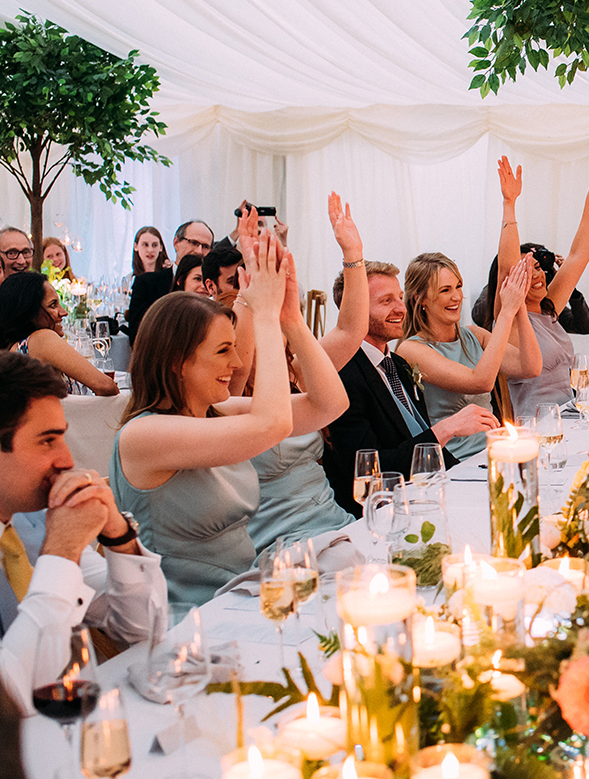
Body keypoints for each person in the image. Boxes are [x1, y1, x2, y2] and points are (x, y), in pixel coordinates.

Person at [112, 236, 347, 614]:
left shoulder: (216, 414)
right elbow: (272, 425)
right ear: (177, 360)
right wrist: (265, 317)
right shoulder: (144, 435)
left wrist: (291, 321)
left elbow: (330, 405)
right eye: (224, 350)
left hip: (248, 594)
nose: (238, 362)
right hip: (194, 620)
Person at [0, 352, 166, 711]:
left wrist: (118, 534)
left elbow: (142, 625)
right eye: (47, 441)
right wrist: (60, 553)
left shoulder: (33, 520)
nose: (68, 461)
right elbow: (13, 697)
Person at [323, 260, 499, 515]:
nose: (400, 308)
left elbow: (416, 434)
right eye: (386, 301)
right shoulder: (343, 374)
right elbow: (368, 470)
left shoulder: (396, 363)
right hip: (387, 508)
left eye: (400, 298)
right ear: (352, 310)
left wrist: (474, 479)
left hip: (429, 489)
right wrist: (446, 429)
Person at [246, 194, 370, 554]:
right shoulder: (230, 395)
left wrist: (353, 254)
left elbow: (350, 331)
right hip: (284, 546)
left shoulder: (295, 373)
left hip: (338, 526)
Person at [396, 253, 539, 458]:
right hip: (456, 460)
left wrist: (520, 306)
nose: (456, 297)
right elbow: (481, 382)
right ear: (420, 298)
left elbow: (530, 367)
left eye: (458, 286)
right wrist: (506, 311)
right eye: (445, 290)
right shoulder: (411, 349)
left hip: (492, 451)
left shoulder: (474, 334)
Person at [500, 152, 589, 420]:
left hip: (571, 414)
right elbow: (506, 265)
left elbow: (578, 256)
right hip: (538, 426)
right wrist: (509, 204)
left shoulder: (549, 309)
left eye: (539, 267)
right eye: (527, 270)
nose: (537, 275)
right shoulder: (511, 318)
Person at [0, 272, 118, 396]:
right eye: (53, 305)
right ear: (28, 312)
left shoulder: (13, 349)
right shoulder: (42, 339)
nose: (64, 312)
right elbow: (105, 386)